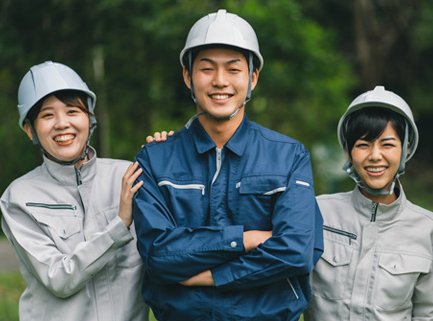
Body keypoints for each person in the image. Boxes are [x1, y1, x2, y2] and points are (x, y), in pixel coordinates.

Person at [132, 9, 324, 321]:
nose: (220, 81)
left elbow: (295, 252)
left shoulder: (289, 156)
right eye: (206, 69)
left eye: (233, 69)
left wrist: (209, 275)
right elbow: (159, 254)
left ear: (253, 77)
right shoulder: (155, 159)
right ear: (187, 76)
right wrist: (245, 239)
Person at [0, 61, 149, 320]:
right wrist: (120, 224)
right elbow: (59, 279)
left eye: (72, 111)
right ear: (30, 130)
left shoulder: (128, 176)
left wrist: (170, 152)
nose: (61, 123)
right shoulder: (19, 198)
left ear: (90, 119)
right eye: (47, 115)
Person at [304, 86, 433, 320]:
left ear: (406, 149)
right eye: (363, 144)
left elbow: (429, 314)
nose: (374, 155)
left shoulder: (429, 229)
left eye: (387, 144)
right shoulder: (318, 211)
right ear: (348, 150)